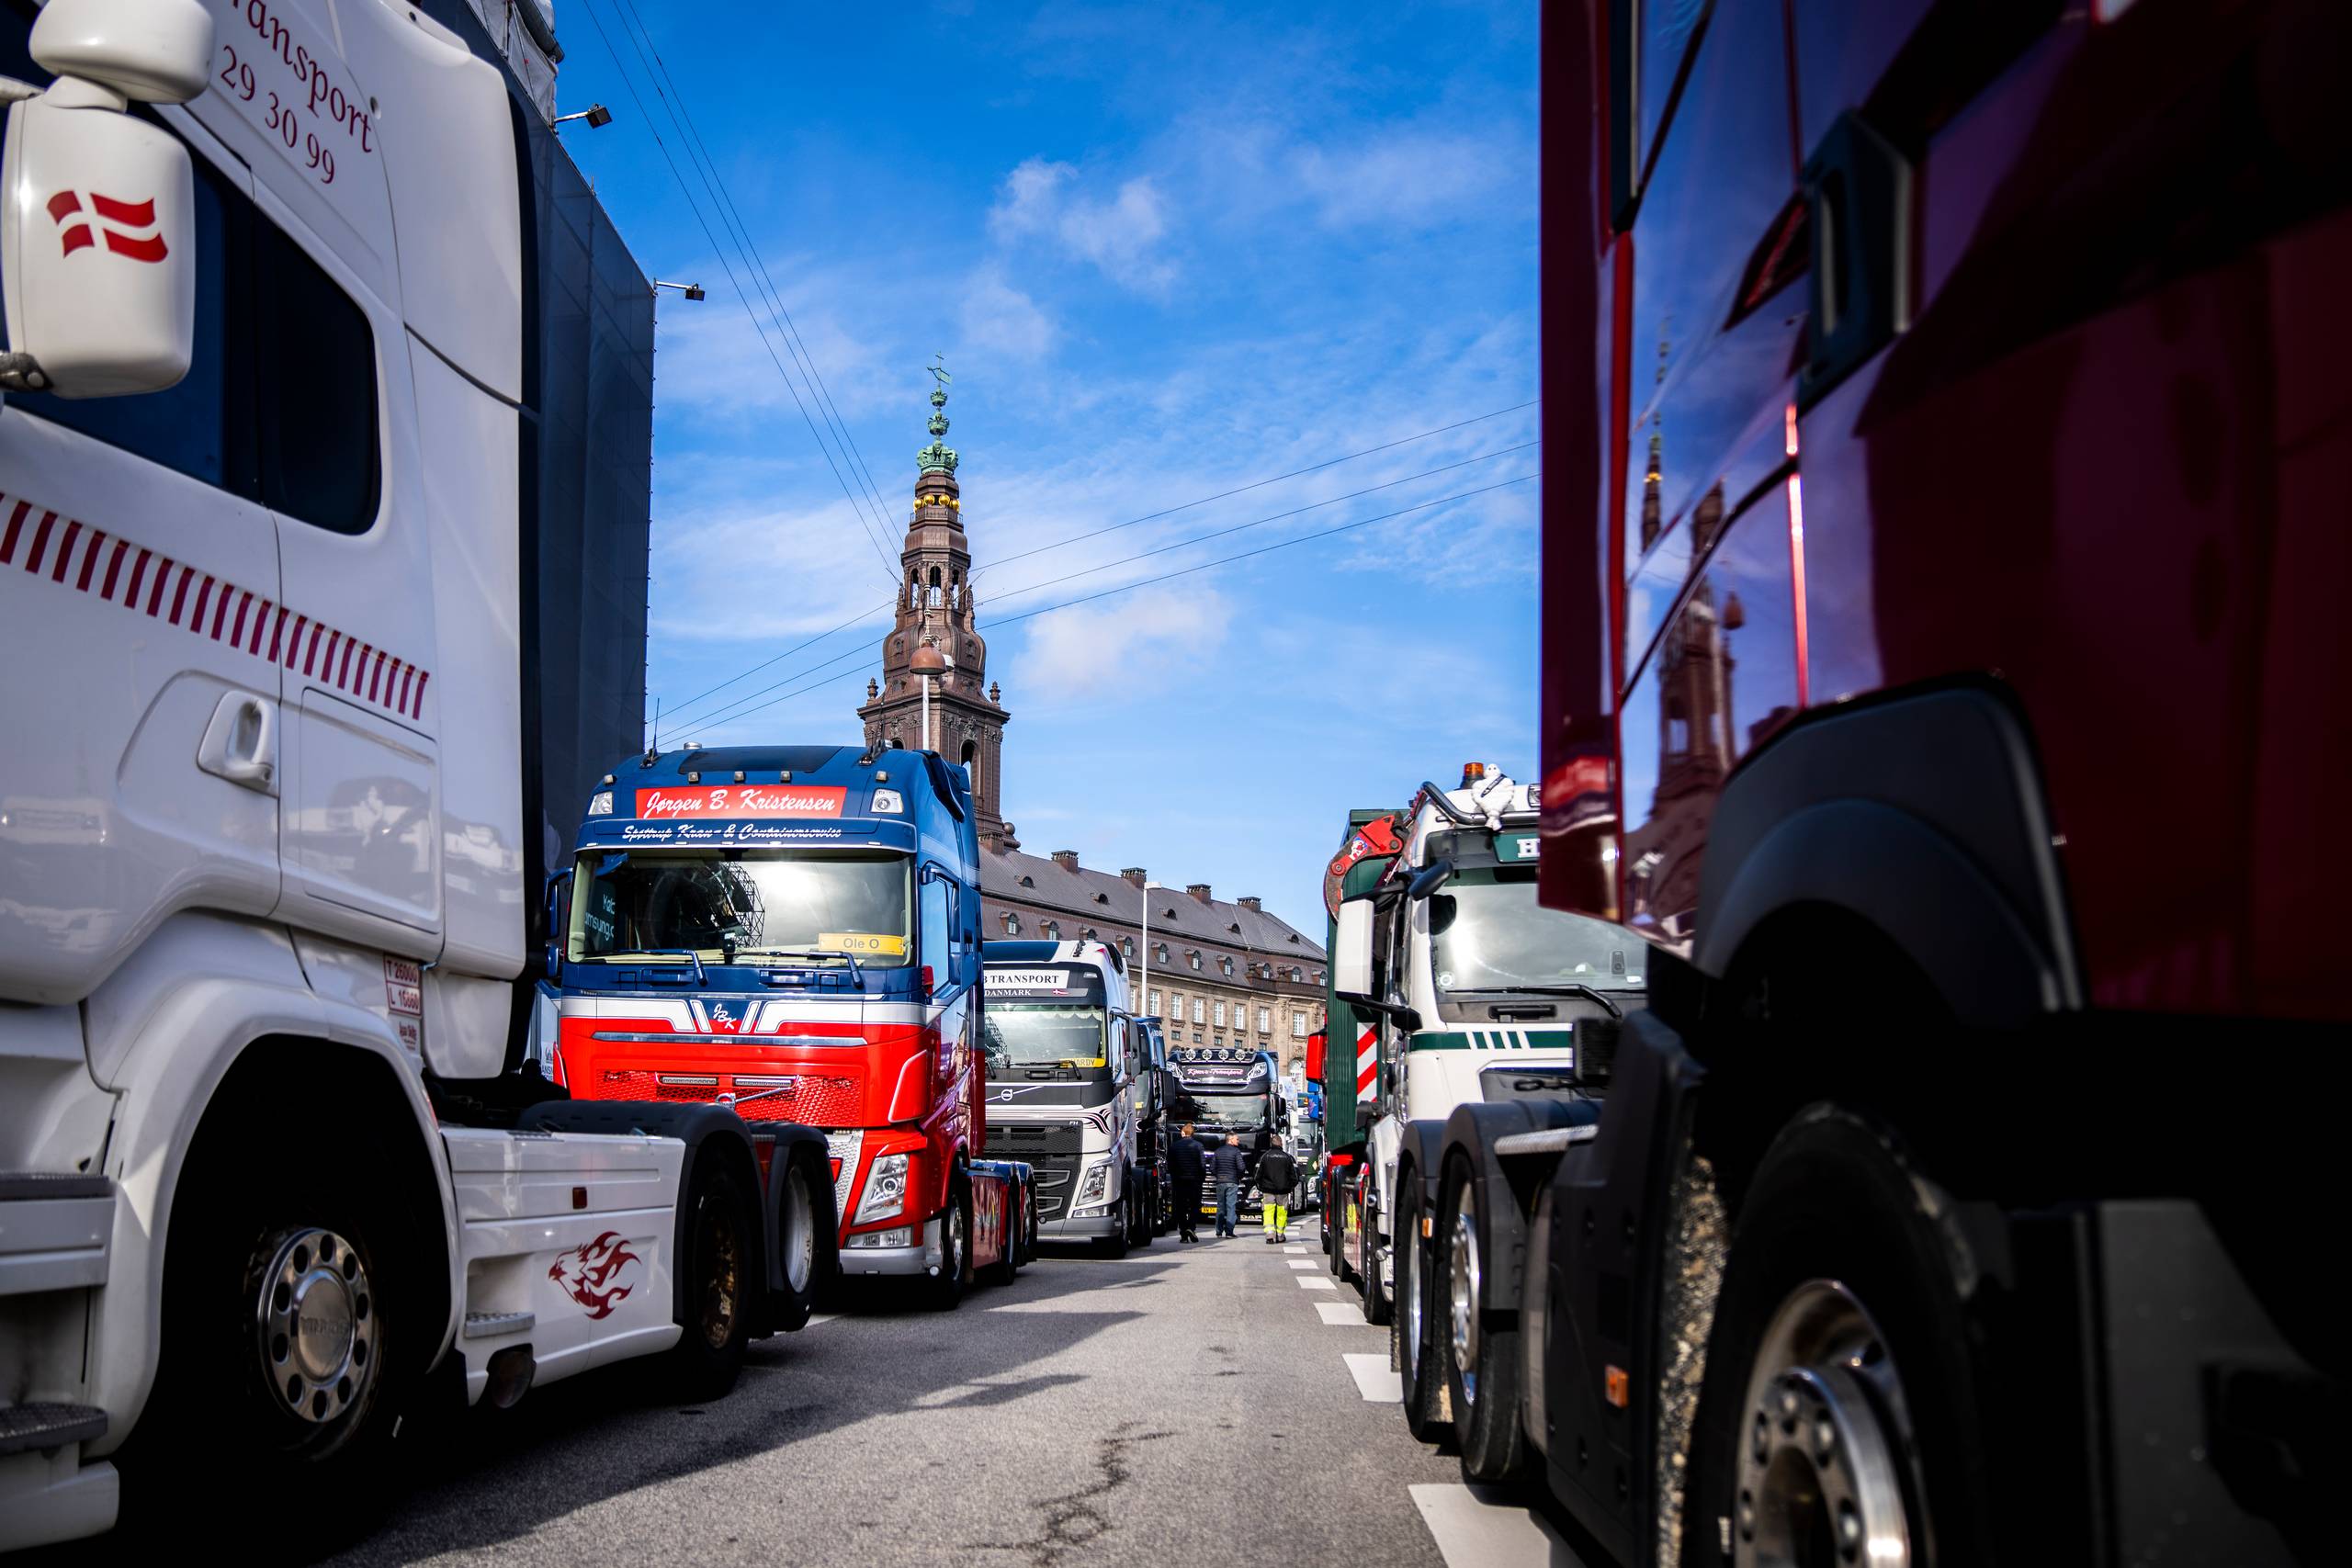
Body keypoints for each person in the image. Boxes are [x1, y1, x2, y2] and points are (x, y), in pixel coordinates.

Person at [1169, 1122, 1206, 1243]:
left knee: (1181, 1207)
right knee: (1195, 1206)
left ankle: (1183, 1233)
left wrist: (1174, 1178)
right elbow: (1202, 1165)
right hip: (1195, 1181)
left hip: (1179, 1181)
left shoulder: (1174, 1146)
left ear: (1183, 1133)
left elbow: (1170, 1165)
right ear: (1192, 1134)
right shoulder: (1199, 1146)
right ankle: (1191, 1227)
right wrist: (1202, 1179)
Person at [1255, 1140, 1297, 1244]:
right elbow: (1294, 1176)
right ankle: (1280, 1235)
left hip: (1268, 1190)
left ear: (1272, 1144)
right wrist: (1291, 1187)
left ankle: (1270, 1235)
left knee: (1268, 1211)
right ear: (1281, 1144)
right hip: (1283, 1191)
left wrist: (1260, 1186)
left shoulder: (1265, 1156)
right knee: (1282, 1213)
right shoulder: (1287, 1157)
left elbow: (1258, 1174)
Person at [1209, 1132, 1250, 1238]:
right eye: (1237, 1139)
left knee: (1220, 1207)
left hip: (1220, 1182)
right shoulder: (1236, 1152)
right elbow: (1241, 1167)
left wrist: (1218, 1175)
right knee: (1231, 1207)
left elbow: (1212, 1168)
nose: (1238, 1141)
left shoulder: (1218, 1151)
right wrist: (1238, 1177)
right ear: (1230, 1140)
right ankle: (1229, 1231)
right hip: (1232, 1182)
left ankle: (1218, 1231)